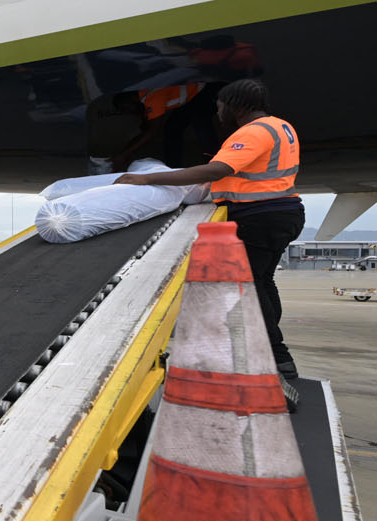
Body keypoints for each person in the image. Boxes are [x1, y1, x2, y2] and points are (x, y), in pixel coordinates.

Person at [114, 78, 303, 399]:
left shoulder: (252, 132)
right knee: (263, 283)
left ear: (235, 105)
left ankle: (275, 358)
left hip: (259, 216)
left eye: (219, 106)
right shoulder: (282, 127)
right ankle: (280, 358)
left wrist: (145, 177)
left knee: (252, 290)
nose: (217, 112)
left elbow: (216, 170)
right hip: (283, 212)